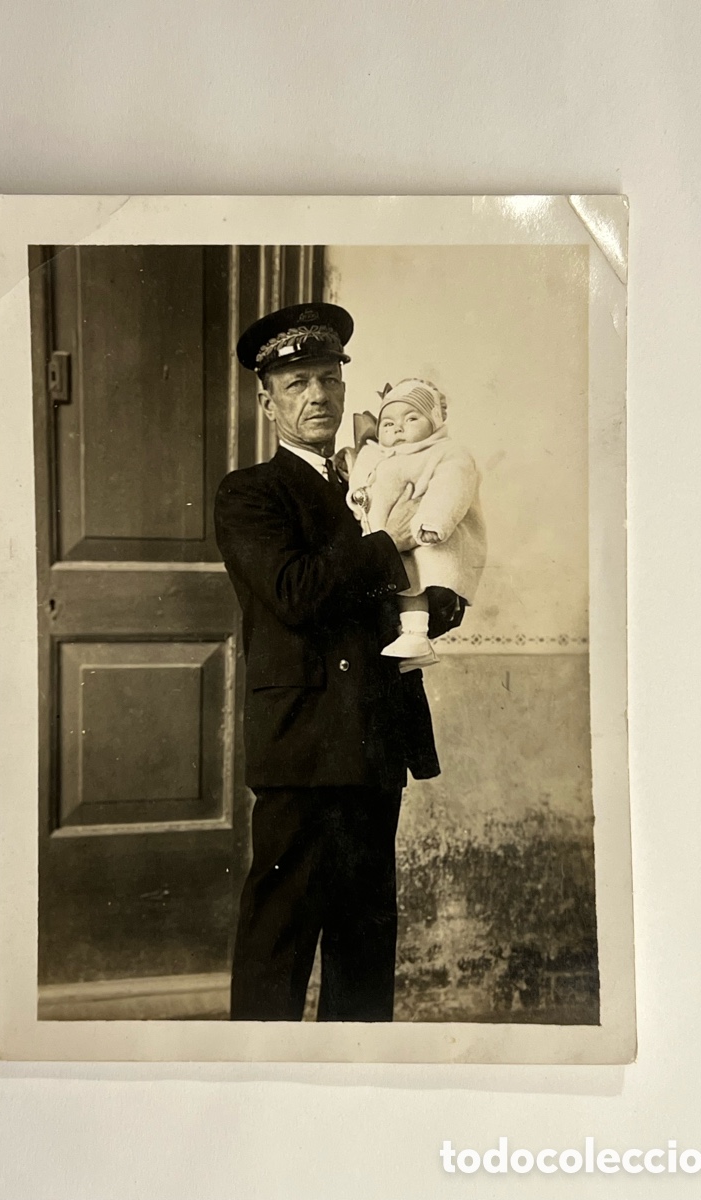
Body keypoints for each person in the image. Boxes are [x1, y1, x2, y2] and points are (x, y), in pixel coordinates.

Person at [213, 303, 464, 1022]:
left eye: (328, 379)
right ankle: (256, 1092)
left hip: (376, 738)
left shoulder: (375, 476)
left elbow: (389, 594)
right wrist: (384, 542)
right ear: (268, 402)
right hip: (305, 747)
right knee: (279, 942)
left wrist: (438, 600)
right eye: (296, 384)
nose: (318, 395)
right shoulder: (250, 494)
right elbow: (296, 593)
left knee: (365, 942)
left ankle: (358, 1093)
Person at [342, 377, 486, 670]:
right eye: (388, 423)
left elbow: (452, 487)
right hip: (383, 543)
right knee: (400, 584)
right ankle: (411, 644)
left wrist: (434, 520)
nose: (398, 428)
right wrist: (358, 501)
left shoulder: (444, 453)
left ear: (434, 424)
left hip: (426, 537)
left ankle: (417, 635)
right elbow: (361, 482)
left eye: (411, 418)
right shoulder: (374, 454)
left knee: (417, 580)